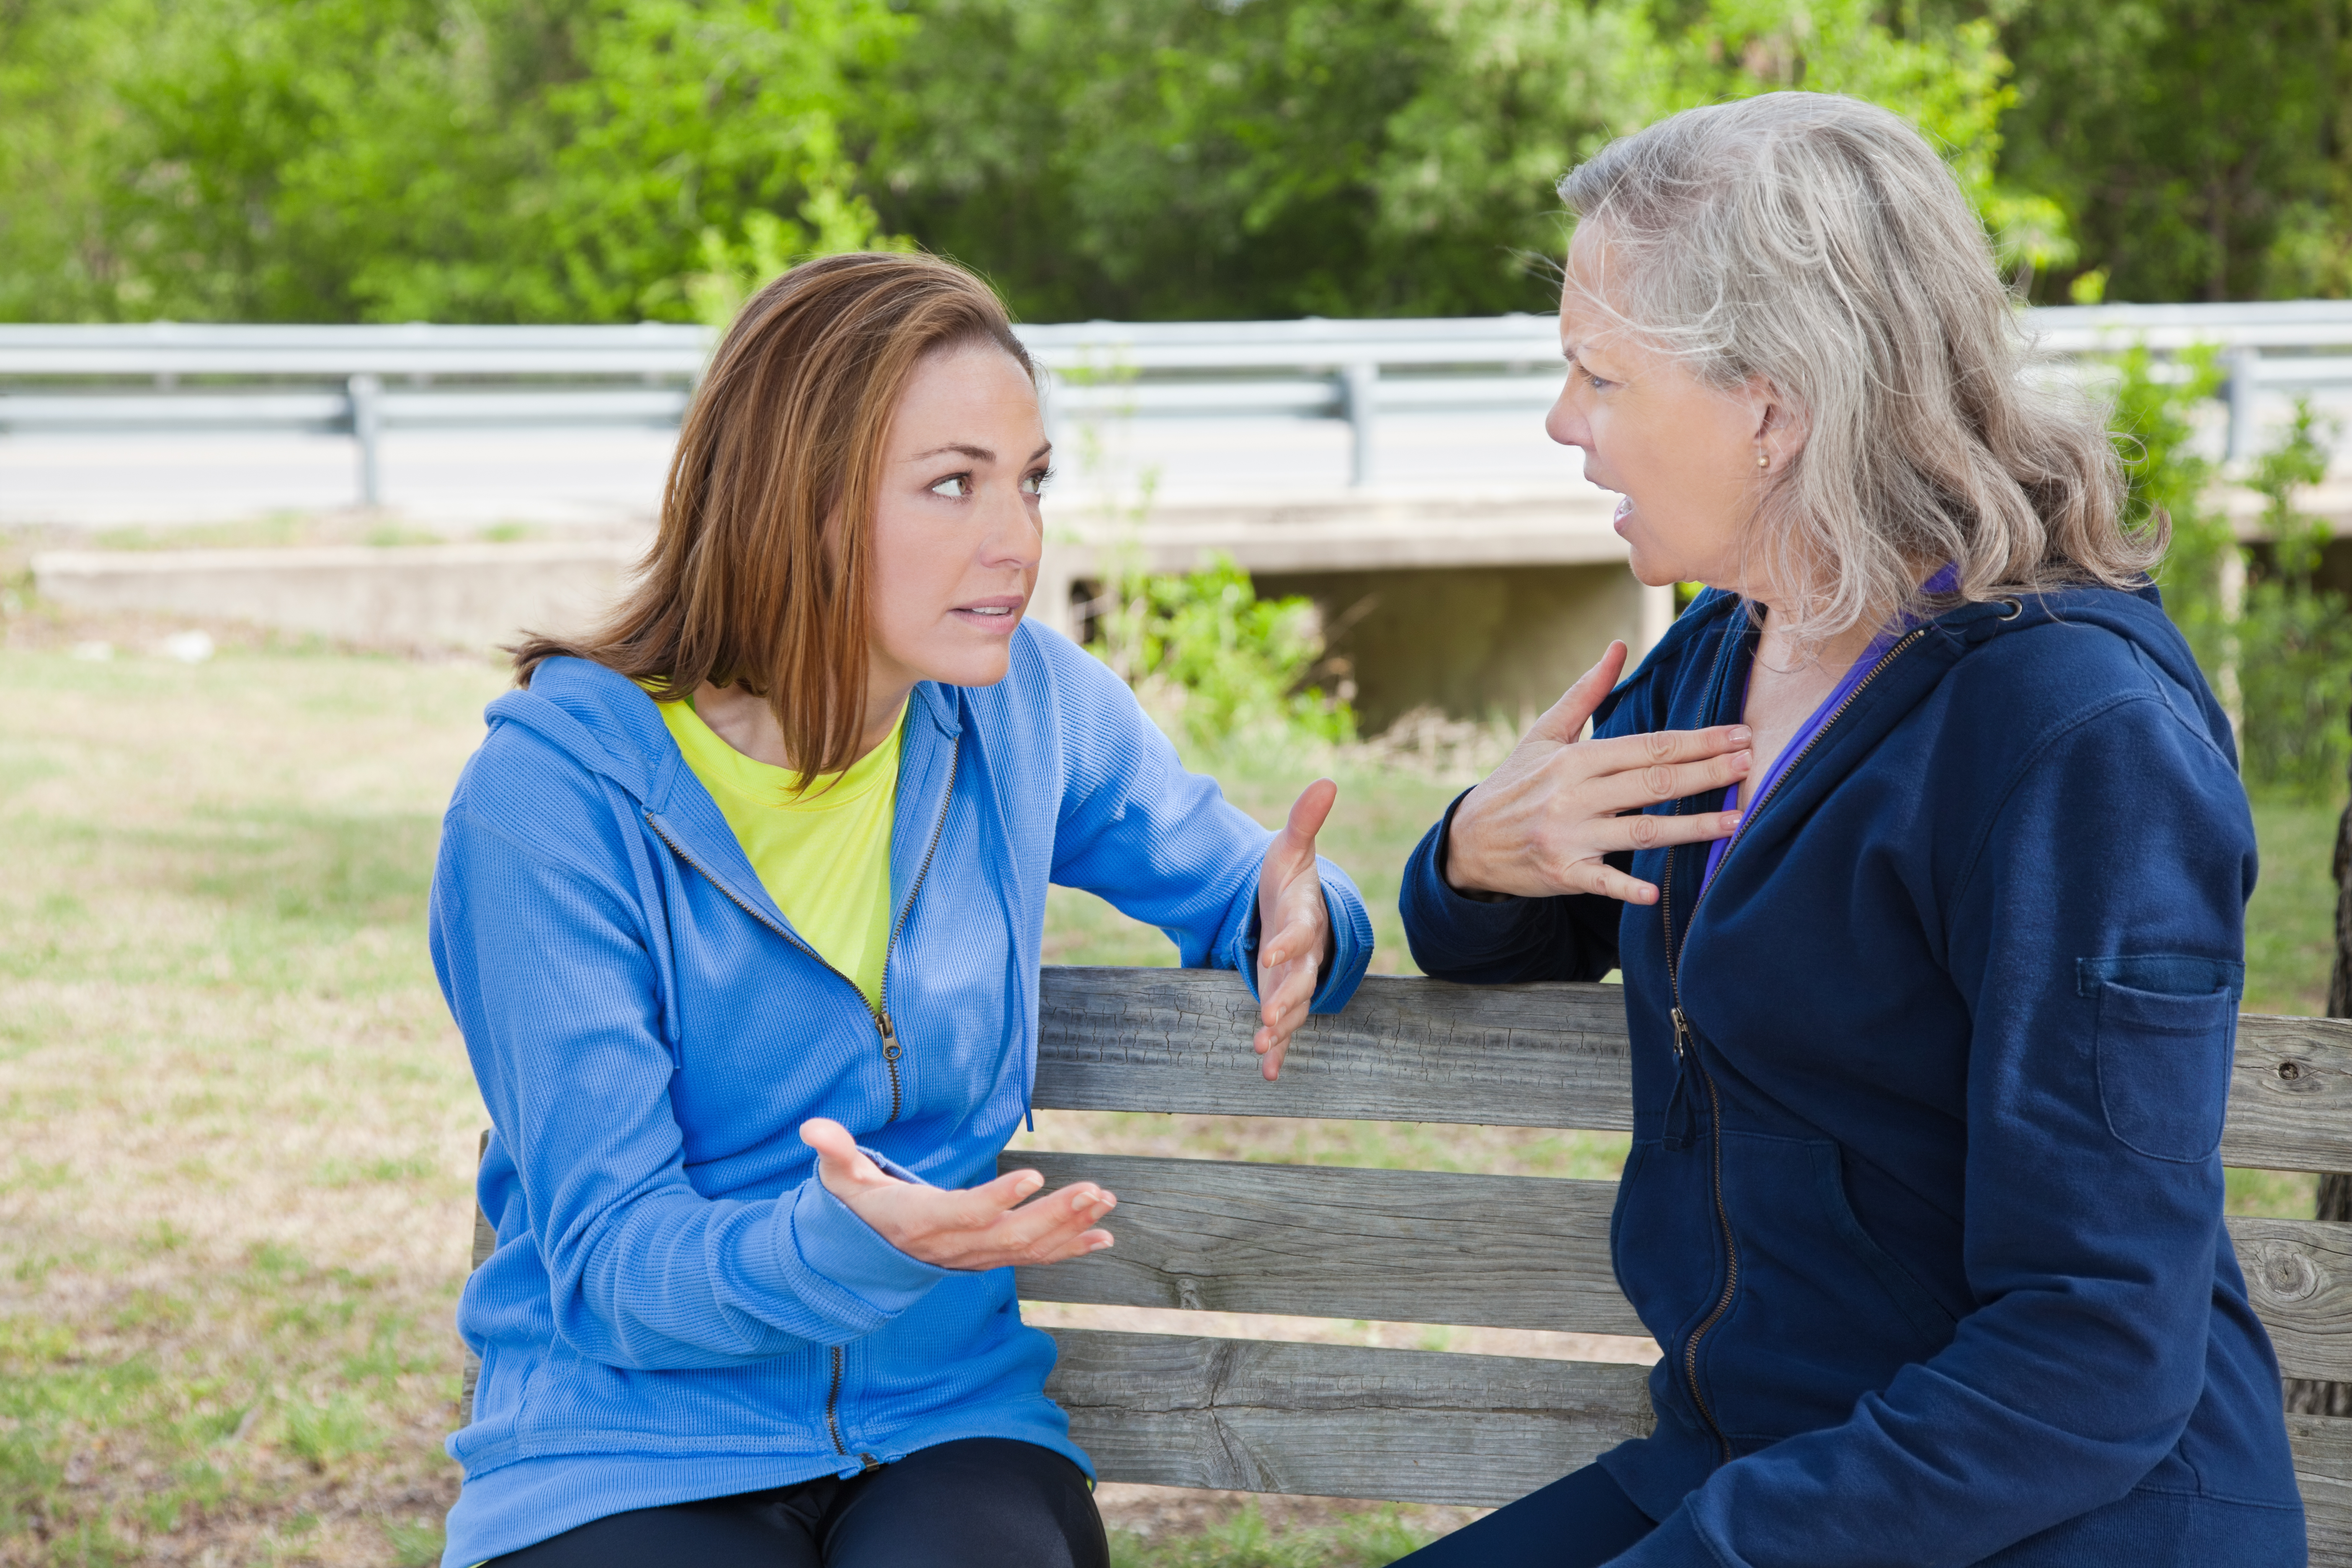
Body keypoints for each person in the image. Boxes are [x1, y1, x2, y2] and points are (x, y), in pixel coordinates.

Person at [1395, 93, 2303, 1567]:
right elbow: (1530, 921)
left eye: (1599, 374)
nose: (1566, 423)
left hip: (2046, 1513)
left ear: (1774, 400)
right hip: (1760, 1468)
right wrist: (1475, 852)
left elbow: (2095, 1350)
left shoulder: (2077, 739)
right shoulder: (1721, 652)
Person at [428, 251, 1374, 1568]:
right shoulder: (553, 804)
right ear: (795, 506)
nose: (1019, 541)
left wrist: (1304, 911)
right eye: (953, 485)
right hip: (627, 1445)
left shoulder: (1022, 707)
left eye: (1031, 481)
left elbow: (1237, 876)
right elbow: (614, 1269)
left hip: (943, 1424)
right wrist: (843, 1244)